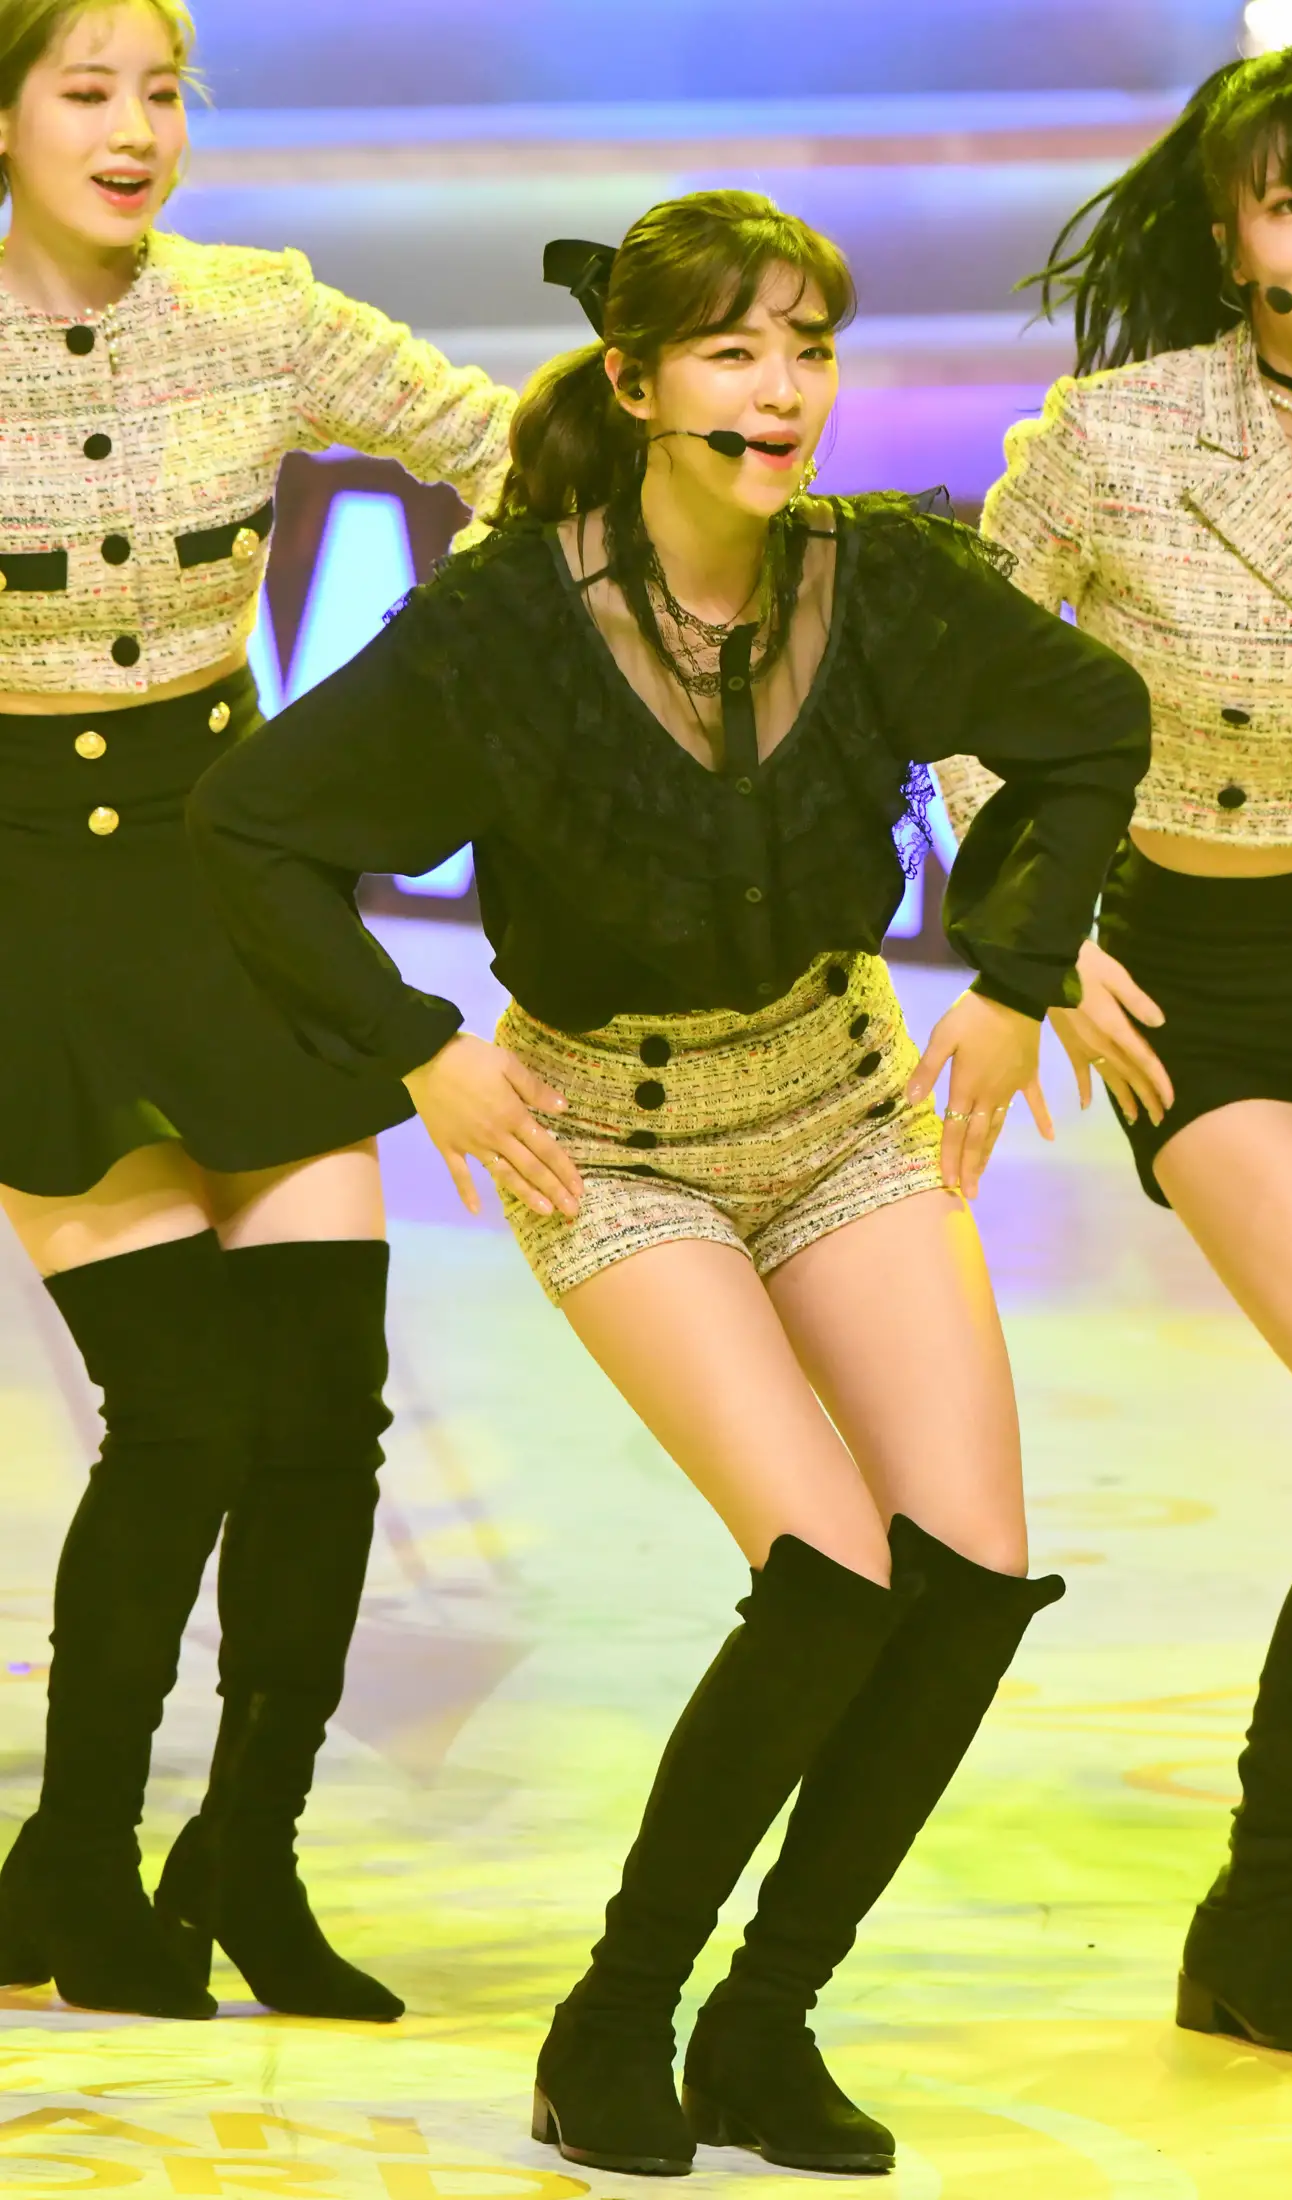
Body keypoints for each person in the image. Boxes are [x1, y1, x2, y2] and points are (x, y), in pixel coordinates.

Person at [188, 185, 1147, 2171]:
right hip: (606, 1136)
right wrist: (421, 1048)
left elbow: (1091, 723)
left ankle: (763, 2027)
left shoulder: (878, 578)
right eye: (732, 350)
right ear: (632, 383)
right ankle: (613, 2019)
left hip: (840, 1097)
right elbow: (253, 826)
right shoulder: (506, 630)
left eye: (809, 346)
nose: (781, 389)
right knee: (828, 1576)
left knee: (965, 1577)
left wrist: (1015, 973)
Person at [939, 40, 1292, 2063]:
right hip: (1198, 982)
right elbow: (954, 682)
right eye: (1287, 201)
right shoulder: (1117, 433)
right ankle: (1257, 1912)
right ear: (1234, 243)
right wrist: (1037, 932)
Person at [0, 0, 516, 2023]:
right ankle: (78, 1855)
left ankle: (248, 1857)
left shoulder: (261, 308)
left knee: (323, 1416)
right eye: (87, 90)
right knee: (182, 1414)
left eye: (164, 92)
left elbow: (508, 446)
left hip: (238, 876)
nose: (136, 129)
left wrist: (415, 699)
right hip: (30, 900)